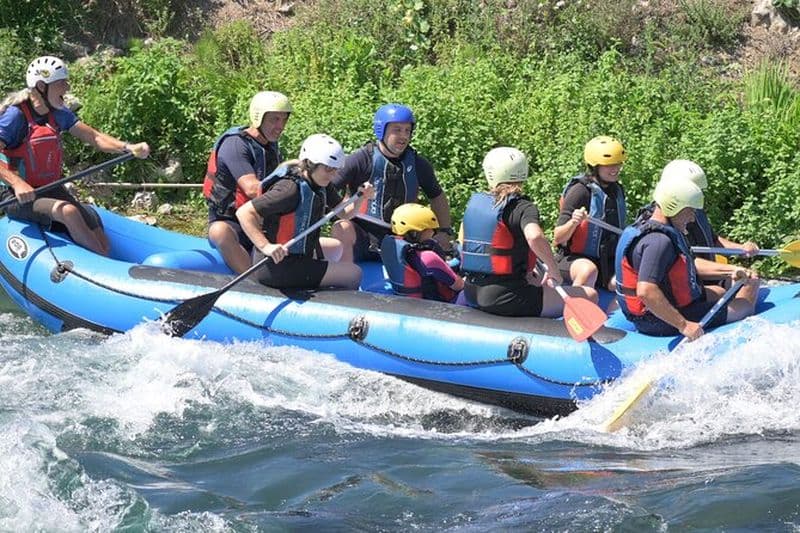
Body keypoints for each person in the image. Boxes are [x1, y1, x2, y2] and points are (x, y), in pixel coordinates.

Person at [0, 55, 149, 256]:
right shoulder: (15, 116)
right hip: (14, 195)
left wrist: (128, 147)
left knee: (92, 221)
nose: (67, 88)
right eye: (62, 83)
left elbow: (94, 137)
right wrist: (17, 183)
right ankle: (104, 265)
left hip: (50, 188)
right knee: (67, 211)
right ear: (42, 86)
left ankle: (107, 263)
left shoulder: (58, 112)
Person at [460, 147, 598, 318]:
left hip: (471, 292)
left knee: (536, 281)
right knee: (590, 295)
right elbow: (534, 236)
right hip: (505, 298)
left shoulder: (475, 206)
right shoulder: (523, 207)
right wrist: (554, 269)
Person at [615, 177, 759, 340]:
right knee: (744, 307)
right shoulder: (659, 242)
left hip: (649, 313)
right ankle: (745, 338)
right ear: (674, 207)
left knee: (718, 291)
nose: (692, 219)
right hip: (656, 319)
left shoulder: (645, 227)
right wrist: (684, 325)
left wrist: (731, 270)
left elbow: (685, 264)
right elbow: (646, 291)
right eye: (690, 210)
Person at [236, 133, 374, 290]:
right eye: (328, 169)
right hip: (278, 266)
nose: (333, 175)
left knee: (337, 248)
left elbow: (345, 213)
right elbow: (244, 213)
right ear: (310, 164)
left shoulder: (321, 182)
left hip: (299, 255)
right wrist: (266, 246)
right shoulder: (289, 190)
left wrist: (361, 197)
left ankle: (320, 280)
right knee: (354, 274)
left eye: (335, 170)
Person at [331, 103, 453, 263]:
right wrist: (346, 207)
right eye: (397, 130)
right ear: (381, 130)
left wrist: (444, 231)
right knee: (342, 227)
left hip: (403, 236)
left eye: (407, 130)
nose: (403, 136)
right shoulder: (360, 160)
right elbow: (328, 188)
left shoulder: (418, 164)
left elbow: (437, 196)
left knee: (430, 234)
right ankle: (345, 276)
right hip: (363, 233)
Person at [204, 91, 291, 273]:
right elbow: (252, 189)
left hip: (262, 220)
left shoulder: (269, 145)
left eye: (284, 120)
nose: (280, 126)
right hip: (231, 221)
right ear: (258, 118)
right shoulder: (235, 145)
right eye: (274, 119)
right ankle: (252, 284)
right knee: (219, 231)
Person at [655, 159, 760, 284]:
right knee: (748, 283)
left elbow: (713, 240)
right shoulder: (664, 221)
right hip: (690, 284)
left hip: (707, 279)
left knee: (750, 281)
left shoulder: (694, 211)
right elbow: (685, 261)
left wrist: (741, 248)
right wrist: (731, 270)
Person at [553, 135, 627, 291]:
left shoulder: (617, 190)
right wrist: (573, 222)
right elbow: (558, 237)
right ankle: (575, 311)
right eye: (608, 165)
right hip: (574, 260)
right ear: (595, 166)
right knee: (588, 271)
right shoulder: (580, 191)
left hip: (606, 261)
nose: (615, 169)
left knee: (629, 280)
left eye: (618, 164)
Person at [380, 203, 464, 302]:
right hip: (431, 306)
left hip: (404, 299)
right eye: (430, 229)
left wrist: (457, 260)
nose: (433, 232)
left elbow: (440, 268)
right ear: (414, 232)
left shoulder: (392, 245)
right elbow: (458, 286)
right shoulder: (427, 257)